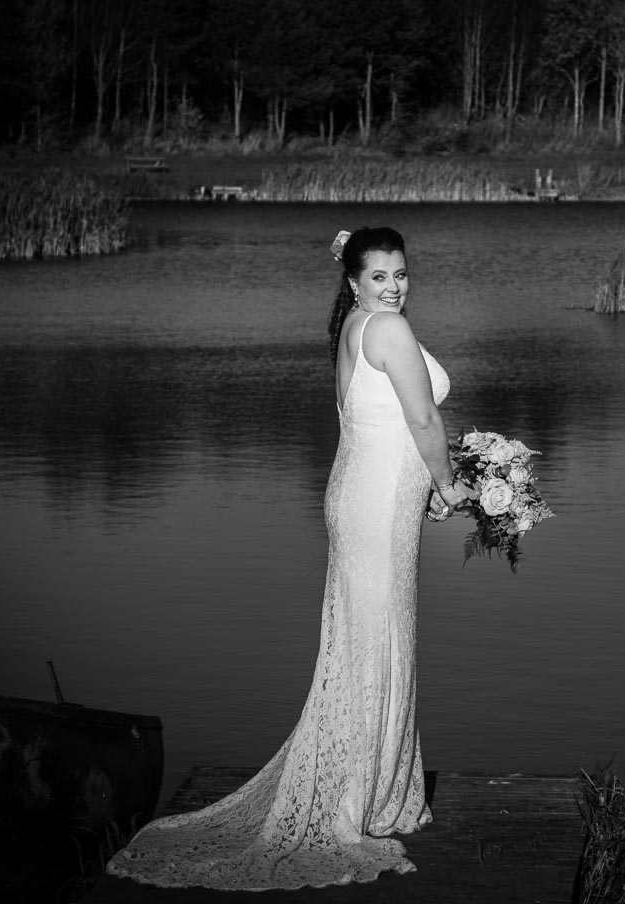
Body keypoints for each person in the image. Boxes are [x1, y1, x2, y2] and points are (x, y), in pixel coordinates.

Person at [106, 226, 475, 889]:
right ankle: (361, 799)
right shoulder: (386, 328)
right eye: (381, 276)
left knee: (366, 642)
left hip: (363, 497)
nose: (395, 286)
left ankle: (369, 787)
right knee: (377, 642)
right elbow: (422, 422)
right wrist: (450, 485)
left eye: (401, 273)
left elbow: (379, 422)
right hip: (374, 507)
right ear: (354, 281)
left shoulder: (358, 324)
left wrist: (424, 491)